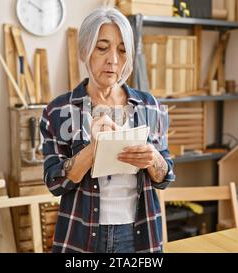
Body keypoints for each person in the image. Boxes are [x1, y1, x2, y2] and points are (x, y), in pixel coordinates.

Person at [39, 7, 175, 253]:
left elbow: (164, 178)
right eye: (103, 48)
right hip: (81, 236)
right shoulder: (58, 111)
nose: (113, 59)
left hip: (139, 234)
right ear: (85, 50)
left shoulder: (150, 106)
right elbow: (54, 183)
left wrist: (153, 158)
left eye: (122, 50)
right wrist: (93, 150)